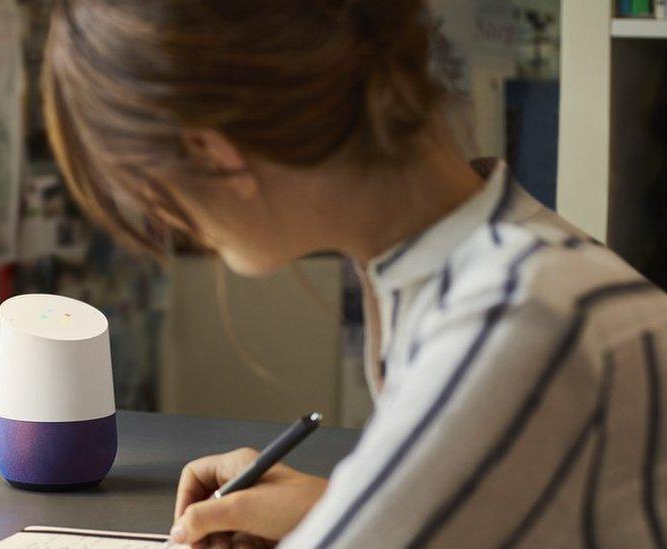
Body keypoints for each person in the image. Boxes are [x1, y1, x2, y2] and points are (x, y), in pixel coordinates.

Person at [41, 1, 667, 547]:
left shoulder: (514, 321)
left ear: (213, 152)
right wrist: (348, 502)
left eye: (142, 188)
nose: (161, 218)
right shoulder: (489, 266)